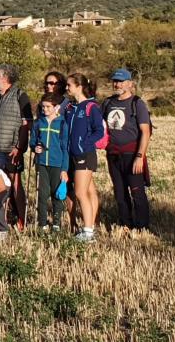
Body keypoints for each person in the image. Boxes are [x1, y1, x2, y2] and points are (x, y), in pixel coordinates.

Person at [103, 68, 152, 231]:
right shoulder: (108, 103)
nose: (117, 84)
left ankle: (142, 226)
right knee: (120, 192)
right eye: (115, 81)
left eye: (121, 81)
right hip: (113, 155)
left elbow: (145, 132)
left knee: (137, 192)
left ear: (130, 84)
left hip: (132, 154)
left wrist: (140, 156)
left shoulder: (137, 103)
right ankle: (125, 223)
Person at [0, 63, 32, 230]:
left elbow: (27, 124)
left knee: (16, 186)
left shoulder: (20, 95)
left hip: (11, 150)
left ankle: (22, 220)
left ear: (5, 78)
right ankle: (1, 220)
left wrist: (19, 147)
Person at [65, 73, 104, 243]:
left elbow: (99, 130)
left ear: (79, 87)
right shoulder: (72, 108)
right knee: (88, 191)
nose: (67, 88)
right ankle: (90, 228)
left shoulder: (91, 107)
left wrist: (85, 143)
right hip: (74, 155)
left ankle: (88, 233)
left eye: (69, 85)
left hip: (85, 154)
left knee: (80, 192)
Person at [30, 92, 69, 231]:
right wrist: (35, 148)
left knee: (57, 194)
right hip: (41, 163)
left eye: (47, 107)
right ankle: (42, 224)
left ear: (56, 107)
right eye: (43, 107)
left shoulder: (63, 123)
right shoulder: (38, 122)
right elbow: (33, 141)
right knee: (42, 194)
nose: (44, 109)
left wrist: (64, 169)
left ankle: (57, 223)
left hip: (57, 164)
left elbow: (65, 148)